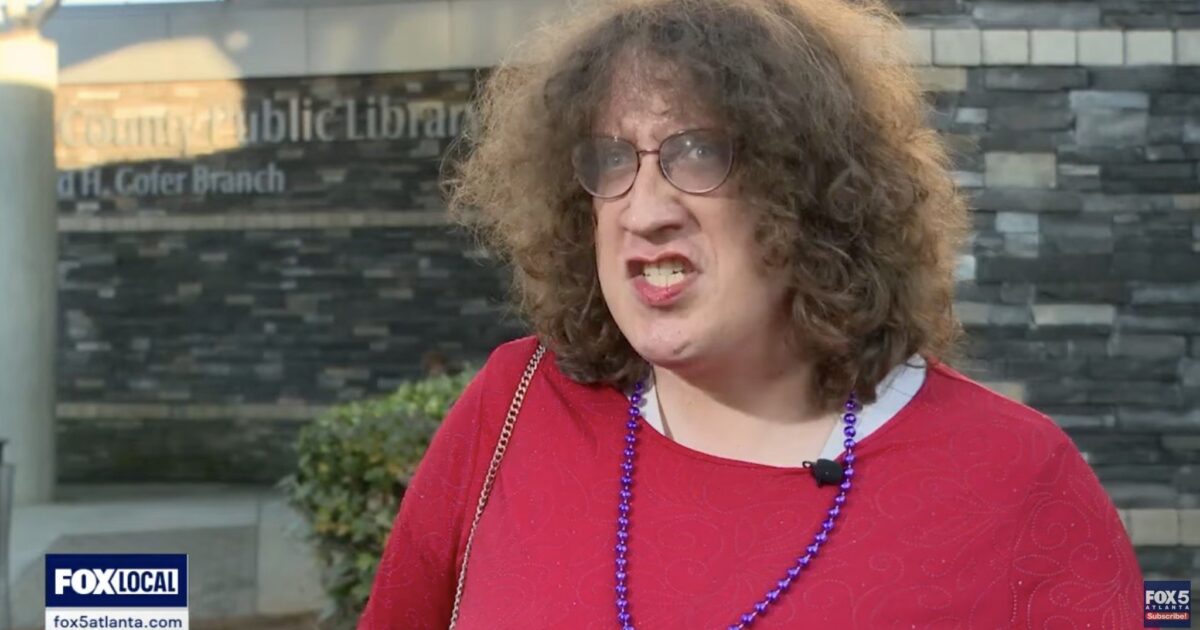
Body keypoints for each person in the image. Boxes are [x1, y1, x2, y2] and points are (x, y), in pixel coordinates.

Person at [359, 0, 1144, 627]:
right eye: (611, 161)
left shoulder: (1015, 482)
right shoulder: (516, 402)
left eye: (696, 153)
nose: (645, 210)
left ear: (810, 192)